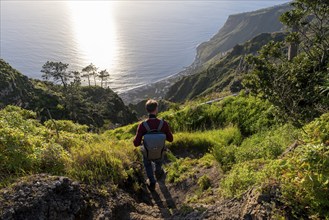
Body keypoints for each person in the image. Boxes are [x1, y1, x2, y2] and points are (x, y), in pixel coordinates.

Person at [133, 99, 173, 191]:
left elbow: (136, 144)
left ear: (147, 110)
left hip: (147, 153)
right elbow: (171, 139)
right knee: (159, 160)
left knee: (147, 164)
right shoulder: (164, 124)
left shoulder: (142, 125)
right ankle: (158, 172)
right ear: (156, 109)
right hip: (159, 152)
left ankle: (152, 181)